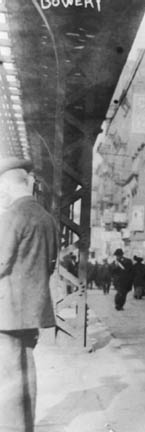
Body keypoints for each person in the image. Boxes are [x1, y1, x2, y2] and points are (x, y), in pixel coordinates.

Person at [0, 157, 58, 431]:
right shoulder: (47, 218)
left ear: (8, 185)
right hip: (33, 310)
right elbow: (51, 264)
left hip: (8, 311)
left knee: (8, 375)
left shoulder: (11, 216)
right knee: (26, 370)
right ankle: (25, 427)